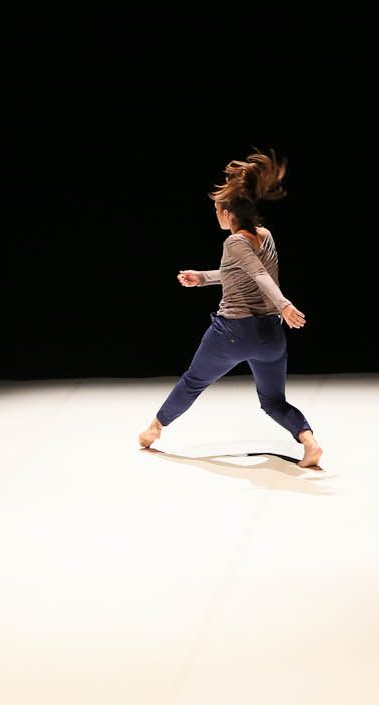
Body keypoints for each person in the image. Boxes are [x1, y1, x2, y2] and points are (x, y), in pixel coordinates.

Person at [139, 148, 322, 468]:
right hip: (270, 337)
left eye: (216, 210)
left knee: (193, 381)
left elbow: (260, 275)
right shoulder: (265, 236)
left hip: (233, 333)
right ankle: (310, 442)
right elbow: (242, 272)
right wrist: (202, 278)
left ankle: (154, 428)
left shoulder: (234, 241)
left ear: (227, 213)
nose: (216, 215)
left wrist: (284, 304)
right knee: (273, 401)